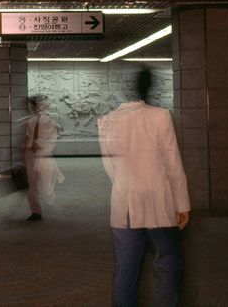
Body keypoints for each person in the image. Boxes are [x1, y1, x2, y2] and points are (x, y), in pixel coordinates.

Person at [98, 69, 190, 307]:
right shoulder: (160, 116)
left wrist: (126, 184)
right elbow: (172, 162)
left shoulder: (107, 120)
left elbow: (109, 166)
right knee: (168, 264)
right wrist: (182, 204)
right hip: (158, 203)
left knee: (125, 270)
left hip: (123, 205)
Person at [24, 95, 65, 221]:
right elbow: (28, 137)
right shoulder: (30, 121)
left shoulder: (49, 121)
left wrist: (40, 145)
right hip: (31, 156)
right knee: (32, 186)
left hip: (43, 155)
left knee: (46, 185)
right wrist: (26, 151)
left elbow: (52, 138)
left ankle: (49, 198)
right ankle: (36, 211)